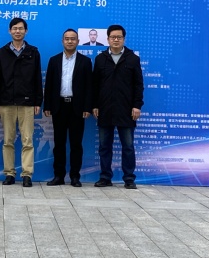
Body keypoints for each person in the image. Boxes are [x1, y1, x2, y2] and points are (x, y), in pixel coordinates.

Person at [0, 17, 43, 188]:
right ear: (9, 31)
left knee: (27, 141)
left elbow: (37, 78)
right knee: (8, 140)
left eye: (21, 28)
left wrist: (37, 102)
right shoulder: (2, 52)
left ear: (26, 31)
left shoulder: (33, 52)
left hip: (27, 103)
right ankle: (9, 173)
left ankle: (27, 174)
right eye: (14, 28)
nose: (17, 31)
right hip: (6, 102)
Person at [92, 24, 143, 189]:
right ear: (107, 39)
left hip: (126, 109)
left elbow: (138, 85)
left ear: (123, 39)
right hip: (105, 109)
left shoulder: (132, 59)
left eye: (119, 37)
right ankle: (105, 177)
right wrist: (95, 105)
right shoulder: (100, 59)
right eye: (113, 37)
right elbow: (95, 85)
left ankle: (129, 178)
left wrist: (137, 106)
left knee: (128, 146)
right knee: (104, 146)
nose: (116, 40)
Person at [43, 28, 92, 187]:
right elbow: (49, 85)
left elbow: (89, 87)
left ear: (78, 41)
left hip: (77, 108)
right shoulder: (54, 60)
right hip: (59, 107)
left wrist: (87, 107)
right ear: (62, 41)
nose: (70, 41)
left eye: (73, 39)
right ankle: (58, 176)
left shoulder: (85, 61)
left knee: (76, 144)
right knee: (59, 144)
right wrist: (47, 105)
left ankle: (75, 177)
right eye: (67, 38)